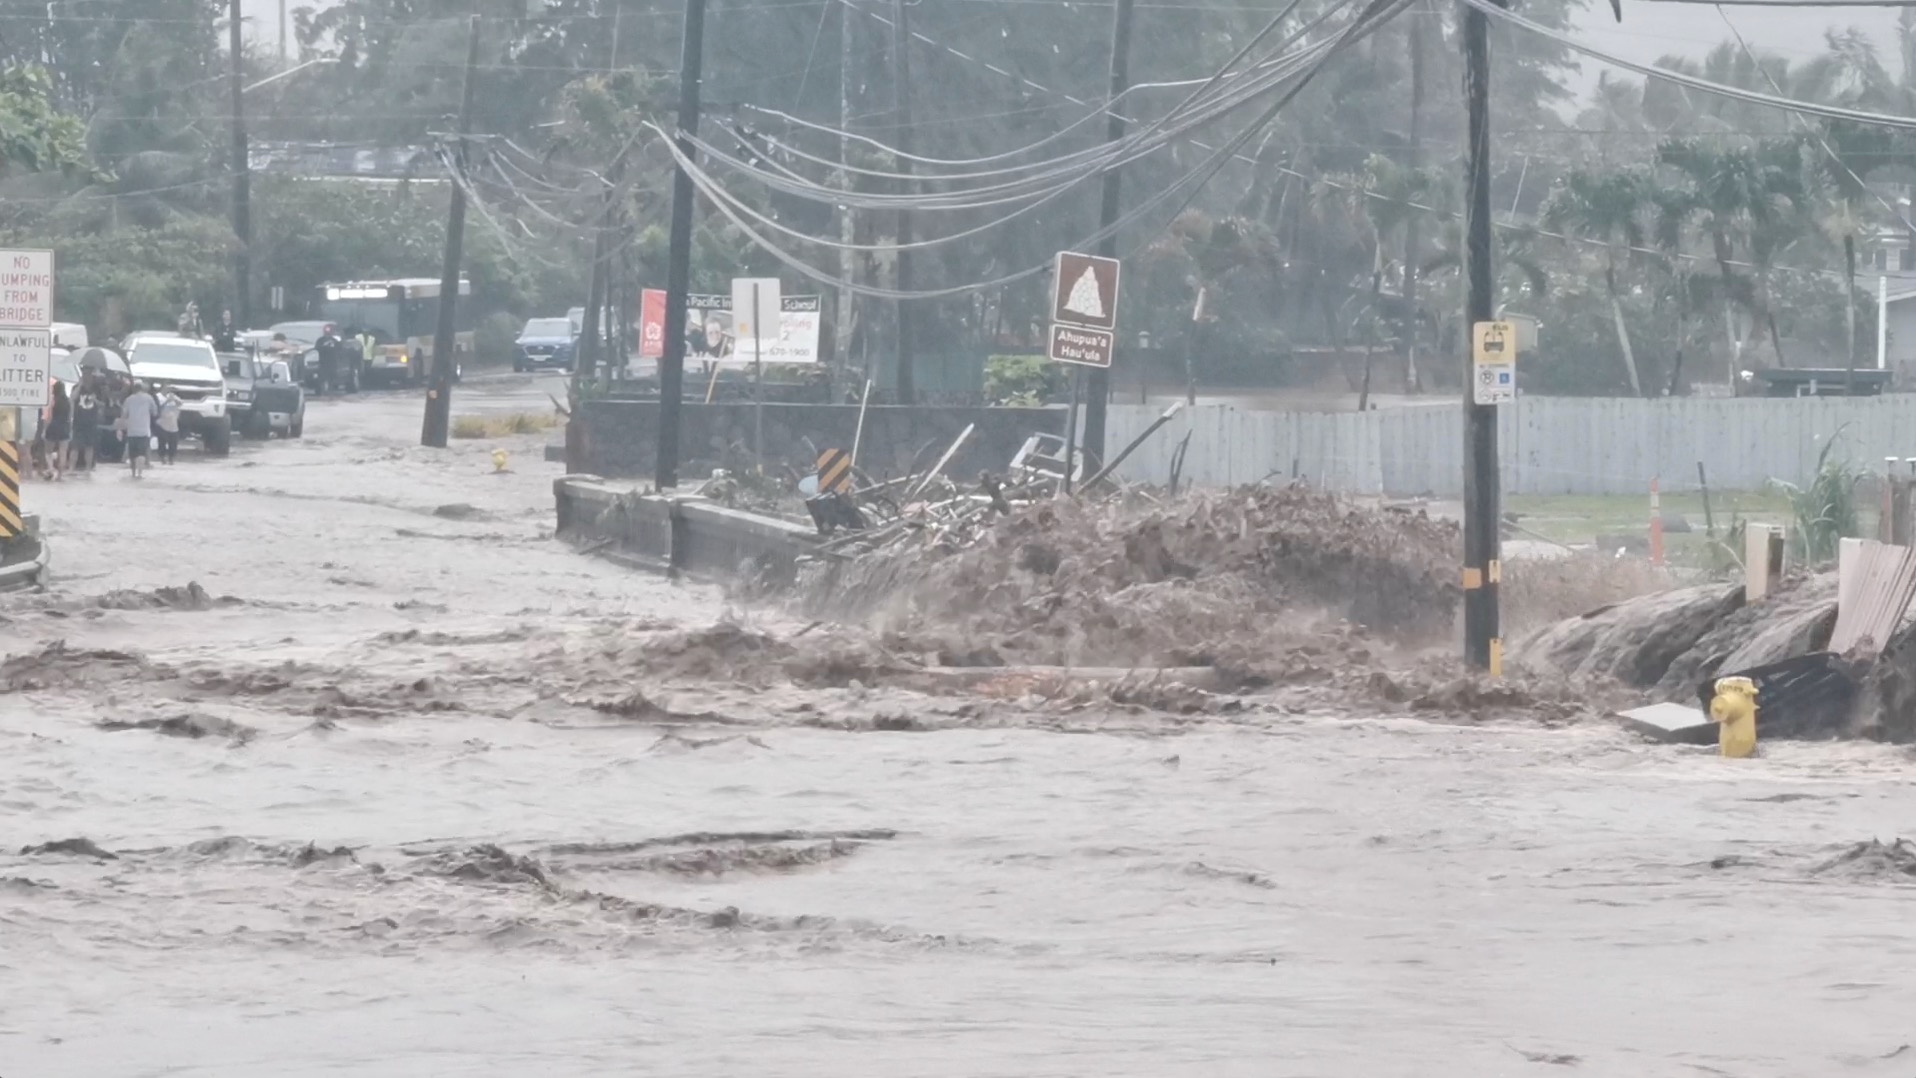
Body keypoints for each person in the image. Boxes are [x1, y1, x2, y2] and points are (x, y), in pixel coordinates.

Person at [120, 380, 157, 479]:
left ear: (134, 388)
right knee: (141, 453)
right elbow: (155, 412)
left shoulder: (128, 399)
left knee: (133, 455)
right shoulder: (149, 398)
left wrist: (120, 429)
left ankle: (133, 473)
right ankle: (139, 473)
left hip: (131, 431)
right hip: (144, 431)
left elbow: (123, 415)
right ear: (142, 388)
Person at [71, 375, 100, 473]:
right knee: (75, 446)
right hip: (78, 421)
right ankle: (72, 468)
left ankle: (88, 468)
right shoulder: (76, 387)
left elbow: (102, 404)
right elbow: (72, 398)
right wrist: (80, 385)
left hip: (91, 422)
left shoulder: (97, 388)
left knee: (89, 446)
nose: (87, 378)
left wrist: (95, 400)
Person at [42, 381, 69, 481]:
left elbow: (48, 417)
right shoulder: (67, 401)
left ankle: (51, 468)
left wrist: (44, 429)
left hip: (53, 426)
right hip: (64, 427)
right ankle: (60, 476)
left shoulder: (52, 401)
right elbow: (69, 416)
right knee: (63, 452)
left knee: (48, 451)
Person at [155, 388, 182, 465]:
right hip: (163, 424)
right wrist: (167, 400)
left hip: (173, 425)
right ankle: (162, 457)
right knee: (162, 443)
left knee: (173, 443)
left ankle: (171, 458)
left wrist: (174, 399)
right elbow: (159, 407)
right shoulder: (160, 397)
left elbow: (180, 404)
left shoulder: (175, 397)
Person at [314, 324, 343, 395]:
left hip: (333, 362)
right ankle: (322, 391)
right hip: (323, 362)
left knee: (332, 377)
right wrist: (325, 348)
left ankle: (331, 391)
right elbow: (317, 348)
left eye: (329, 332)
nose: (327, 333)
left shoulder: (335, 341)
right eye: (326, 332)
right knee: (322, 377)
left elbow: (340, 349)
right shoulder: (320, 340)